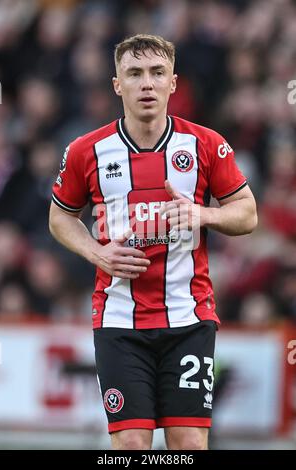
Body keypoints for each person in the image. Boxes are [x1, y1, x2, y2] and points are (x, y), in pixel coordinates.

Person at [49, 34, 257, 450]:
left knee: (189, 446)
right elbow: (60, 217)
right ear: (117, 84)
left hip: (188, 319)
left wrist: (204, 214)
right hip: (119, 322)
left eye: (157, 73)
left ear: (173, 83)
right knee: (131, 446)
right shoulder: (85, 151)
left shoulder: (205, 145)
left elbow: (248, 213)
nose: (147, 83)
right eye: (135, 73)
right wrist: (97, 252)